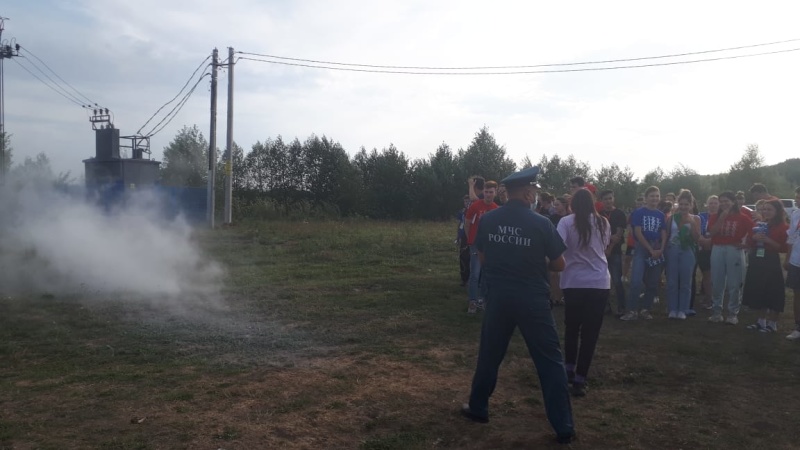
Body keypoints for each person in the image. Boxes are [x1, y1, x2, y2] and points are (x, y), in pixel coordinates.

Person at [461, 166, 575, 445]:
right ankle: (563, 426)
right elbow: (559, 264)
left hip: (499, 297)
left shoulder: (489, 219)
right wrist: (535, 261)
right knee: (549, 361)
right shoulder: (541, 223)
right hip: (533, 300)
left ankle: (478, 408)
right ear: (526, 193)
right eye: (534, 191)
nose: (535, 195)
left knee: (489, 354)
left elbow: (483, 258)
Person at [557, 188, 611, 397]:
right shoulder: (603, 223)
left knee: (571, 328)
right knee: (590, 334)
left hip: (573, 281)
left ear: (572, 204)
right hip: (598, 282)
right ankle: (580, 379)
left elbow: (558, 247)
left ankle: (568, 368)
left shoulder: (566, 222)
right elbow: (604, 247)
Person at [707, 191, 754, 325]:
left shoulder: (743, 218)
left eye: (726, 201)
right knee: (717, 281)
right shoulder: (715, 216)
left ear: (733, 202)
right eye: (721, 201)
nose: (724, 204)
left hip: (734, 250)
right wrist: (722, 217)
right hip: (717, 248)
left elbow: (754, 232)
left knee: (735, 282)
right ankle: (716, 312)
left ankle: (733, 313)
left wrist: (747, 244)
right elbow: (712, 233)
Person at [620, 186, 667, 321]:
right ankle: (632, 310)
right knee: (636, 280)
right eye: (652, 196)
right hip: (642, 247)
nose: (654, 198)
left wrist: (661, 249)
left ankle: (646, 309)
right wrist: (650, 249)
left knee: (653, 282)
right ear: (646, 198)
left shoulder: (661, 215)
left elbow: (663, 233)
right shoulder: (639, 212)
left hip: (656, 247)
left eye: (657, 196)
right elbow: (638, 232)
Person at [743, 198, 788, 332]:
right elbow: (750, 242)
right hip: (757, 259)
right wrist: (753, 238)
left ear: (777, 211)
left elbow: (784, 248)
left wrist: (767, 240)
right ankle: (760, 321)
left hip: (771, 260)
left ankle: (772, 323)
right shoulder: (760, 224)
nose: (766, 212)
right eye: (764, 209)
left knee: (773, 290)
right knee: (759, 289)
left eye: (770, 210)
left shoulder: (783, 226)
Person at [665, 190, 701, 319]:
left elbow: (697, 239)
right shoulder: (672, 218)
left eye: (686, 204)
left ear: (691, 205)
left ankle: (683, 309)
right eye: (681, 204)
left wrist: (691, 223)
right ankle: (672, 308)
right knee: (672, 281)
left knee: (686, 282)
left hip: (688, 251)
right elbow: (667, 235)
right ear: (678, 204)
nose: (684, 207)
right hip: (673, 250)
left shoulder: (696, 218)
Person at [464, 181, 498, 313]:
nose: (488, 195)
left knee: (485, 273)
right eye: (486, 192)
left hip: (489, 245)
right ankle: (472, 301)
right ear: (483, 192)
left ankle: (481, 299)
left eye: (491, 192)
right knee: (475, 273)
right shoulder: (475, 206)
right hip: (476, 244)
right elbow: (467, 223)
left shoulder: (496, 208)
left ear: (495, 193)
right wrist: (470, 240)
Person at [598, 189, 627, 315]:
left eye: (610, 198)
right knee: (602, 280)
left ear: (613, 199)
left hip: (614, 251)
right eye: (605, 199)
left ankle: (621, 306)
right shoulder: (598, 214)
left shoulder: (619, 213)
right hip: (600, 251)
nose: (608, 201)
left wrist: (609, 248)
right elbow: (598, 233)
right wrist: (608, 239)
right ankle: (605, 305)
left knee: (617, 279)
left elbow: (619, 234)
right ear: (602, 201)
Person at [696, 195, 719, 310]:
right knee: (706, 274)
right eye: (711, 203)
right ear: (707, 204)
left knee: (717, 275)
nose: (713, 205)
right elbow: (696, 231)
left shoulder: (722, 217)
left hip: (717, 248)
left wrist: (710, 241)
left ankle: (716, 298)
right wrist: (702, 240)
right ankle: (708, 297)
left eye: (715, 203)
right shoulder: (701, 216)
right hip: (703, 248)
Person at [785, 186, 800, 340]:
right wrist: (788, 258)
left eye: (799, 197)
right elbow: (791, 237)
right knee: (797, 294)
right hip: (796, 260)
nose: (796, 200)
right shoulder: (796, 214)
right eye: (796, 197)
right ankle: (798, 327)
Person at [623, 196, 645, 281]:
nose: (639, 205)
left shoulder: (646, 213)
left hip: (643, 240)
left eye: (641, 204)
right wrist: (633, 235)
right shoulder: (633, 213)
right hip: (632, 240)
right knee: (628, 258)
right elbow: (628, 225)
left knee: (640, 259)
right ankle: (624, 275)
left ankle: (639, 277)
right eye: (638, 204)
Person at [456, 195, 472, 286]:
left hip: (471, 236)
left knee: (472, 258)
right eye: (465, 202)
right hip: (463, 237)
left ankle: (472, 278)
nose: (467, 203)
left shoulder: (473, 210)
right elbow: (460, 224)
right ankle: (464, 278)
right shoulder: (462, 212)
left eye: (469, 201)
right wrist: (457, 236)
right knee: (463, 257)